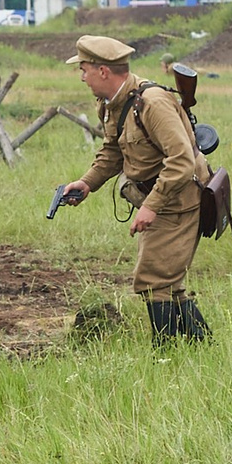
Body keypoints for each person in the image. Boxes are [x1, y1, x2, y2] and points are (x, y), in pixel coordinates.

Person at [54, 34, 212, 342]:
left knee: (153, 279)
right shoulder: (114, 103)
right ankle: (200, 345)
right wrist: (87, 183)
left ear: (103, 71)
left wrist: (150, 207)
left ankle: (166, 352)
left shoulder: (152, 104)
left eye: (84, 69)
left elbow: (182, 161)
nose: (82, 77)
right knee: (165, 280)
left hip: (177, 199)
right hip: (159, 197)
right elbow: (113, 150)